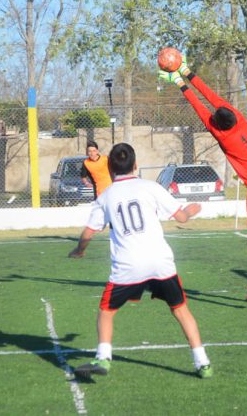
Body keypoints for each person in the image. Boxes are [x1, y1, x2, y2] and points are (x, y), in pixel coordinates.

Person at [159, 56, 247, 300]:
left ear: (217, 122)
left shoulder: (220, 133)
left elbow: (199, 105)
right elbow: (210, 95)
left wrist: (179, 82)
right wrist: (186, 71)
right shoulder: (237, 117)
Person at [68, 143, 212, 379]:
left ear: (111, 169)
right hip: (160, 262)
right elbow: (181, 217)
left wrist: (79, 250)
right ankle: (202, 362)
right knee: (181, 310)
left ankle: (103, 358)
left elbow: (88, 233)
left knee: (106, 311)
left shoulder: (106, 196)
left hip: (128, 267)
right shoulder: (150, 187)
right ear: (135, 165)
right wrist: (191, 210)